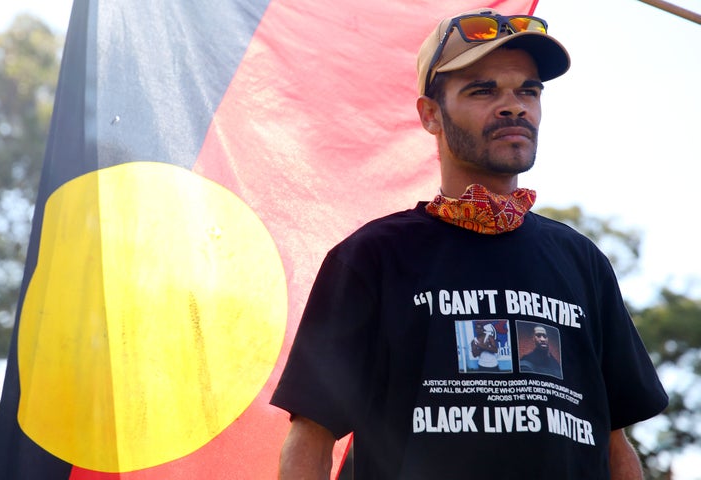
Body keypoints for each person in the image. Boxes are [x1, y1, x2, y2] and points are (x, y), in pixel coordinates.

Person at [271, 8, 668, 479]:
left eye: (528, 90)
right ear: (431, 115)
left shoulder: (583, 262)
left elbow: (613, 441)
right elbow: (310, 439)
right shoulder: (371, 256)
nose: (514, 105)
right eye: (483, 90)